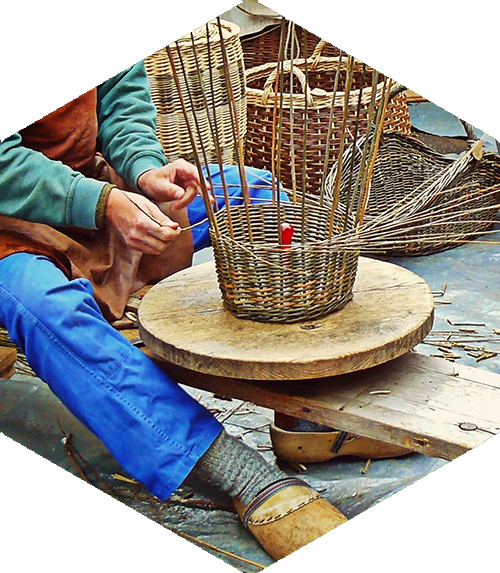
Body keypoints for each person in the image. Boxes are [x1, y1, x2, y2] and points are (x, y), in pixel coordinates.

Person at [0, 59, 347, 561]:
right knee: (46, 310)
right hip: (12, 221)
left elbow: (122, 103)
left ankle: (312, 416)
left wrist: (145, 172)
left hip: (96, 189)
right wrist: (102, 204)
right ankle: (237, 471)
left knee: (264, 199)